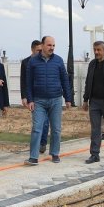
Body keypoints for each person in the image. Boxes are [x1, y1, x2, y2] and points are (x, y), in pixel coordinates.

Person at [26, 35, 73, 165]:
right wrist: (30, 100)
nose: (52, 48)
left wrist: (68, 98)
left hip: (56, 100)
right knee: (37, 128)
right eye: (49, 45)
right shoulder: (33, 61)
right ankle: (33, 157)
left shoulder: (58, 61)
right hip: (38, 101)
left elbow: (65, 80)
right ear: (42, 46)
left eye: (53, 46)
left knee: (56, 129)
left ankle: (55, 154)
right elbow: (28, 82)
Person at [20, 40, 52, 153]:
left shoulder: (45, 60)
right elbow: (23, 81)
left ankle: (42, 143)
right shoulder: (25, 62)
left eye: (41, 50)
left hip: (46, 95)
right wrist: (24, 97)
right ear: (32, 50)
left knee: (46, 121)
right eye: (38, 50)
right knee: (38, 122)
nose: (40, 52)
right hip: (33, 97)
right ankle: (37, 143)